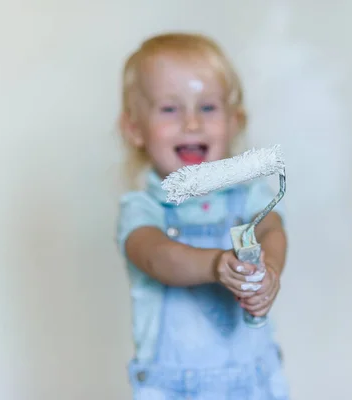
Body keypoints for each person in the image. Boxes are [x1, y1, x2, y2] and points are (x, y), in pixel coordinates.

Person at [116, 32, 290, 400]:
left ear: (235, 121)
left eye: (208, 107)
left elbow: (272, 228)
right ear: (134, 128)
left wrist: (269, 270)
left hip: (254, 384)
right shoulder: (143, 207)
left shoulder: (249, 196)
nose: (192, 123)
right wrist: (216, 265)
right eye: (170, 108)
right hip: (174, 389)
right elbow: (156, 255)